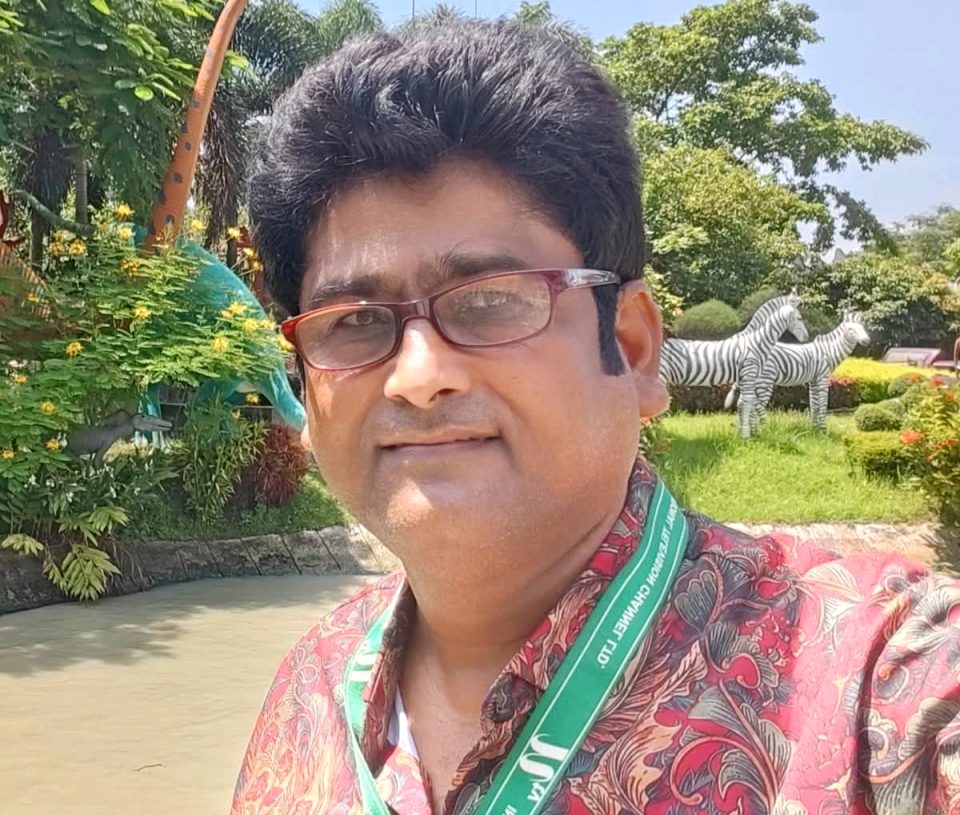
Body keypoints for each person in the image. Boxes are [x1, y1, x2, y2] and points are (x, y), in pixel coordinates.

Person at [232, 20, 960, 815]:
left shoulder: (882, 691)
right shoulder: (311, 686)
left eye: (490, 301)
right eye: (355, 322)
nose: (418, 376)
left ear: (634, 348)